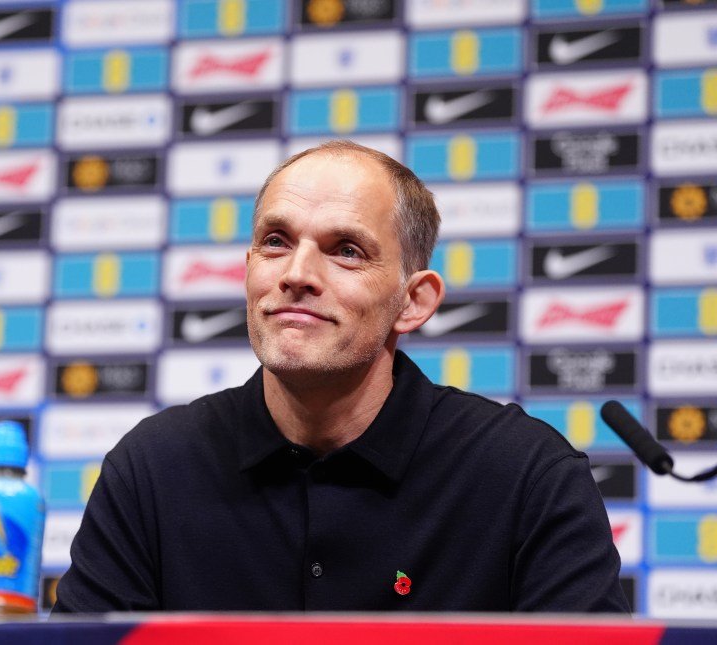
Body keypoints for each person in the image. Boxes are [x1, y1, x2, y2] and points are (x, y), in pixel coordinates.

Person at [52, 140, 629, 613]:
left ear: (414, 301)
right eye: (275, 242)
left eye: (346, 250)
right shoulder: (151, 468)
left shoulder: (528, 476)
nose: (297, 274)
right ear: (249, 269)